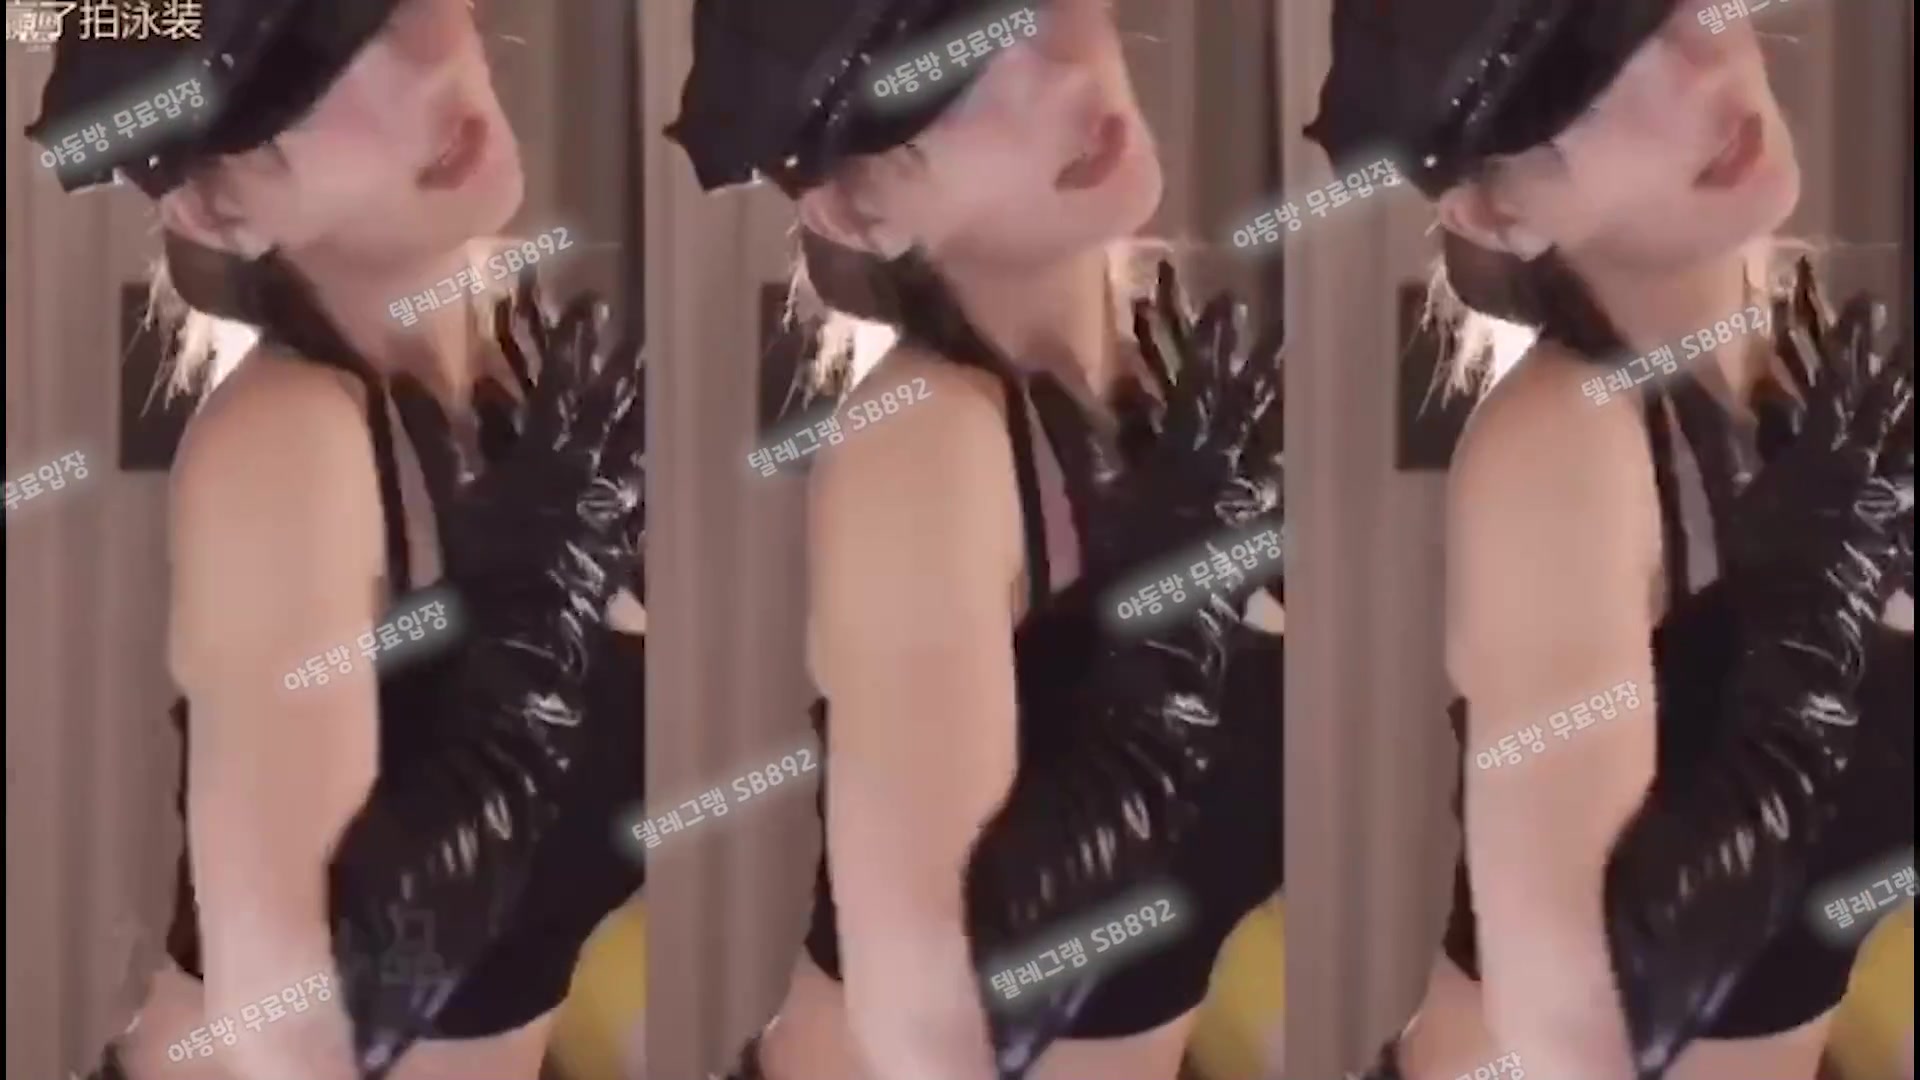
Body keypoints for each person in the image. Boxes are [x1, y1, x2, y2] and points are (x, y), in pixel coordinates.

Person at [26, 2, 648, 1078]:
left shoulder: (534, 370)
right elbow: (292, 1039)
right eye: (307, 67)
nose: (422, 59)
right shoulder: (290, 442)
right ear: (219, 206)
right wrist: (523, 680)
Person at [666, 2, 1285, 1079]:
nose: (1056, 66)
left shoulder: (1171, 393)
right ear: (858, 207)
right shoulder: (928, 441)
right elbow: (927, 1028)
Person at [1305, 1, 1915, 1078]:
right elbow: (1565, 1041)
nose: (1699, 67)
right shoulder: (1565, 444)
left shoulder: (1818, 388)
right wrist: (1801, 668)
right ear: (1496, 210)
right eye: (1587, 74)